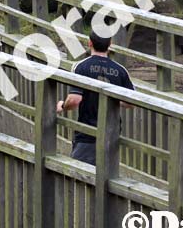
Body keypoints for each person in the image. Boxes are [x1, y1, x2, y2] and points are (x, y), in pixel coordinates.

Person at [56, 31, 134, 165]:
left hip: (87, 135)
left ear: (90, 43)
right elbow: (130, 102)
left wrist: (62, 106)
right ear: (110, 44)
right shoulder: (121, 70)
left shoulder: (81, 67)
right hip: (112, 134)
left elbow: (74, 100)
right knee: (107, 179)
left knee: (80, 177)